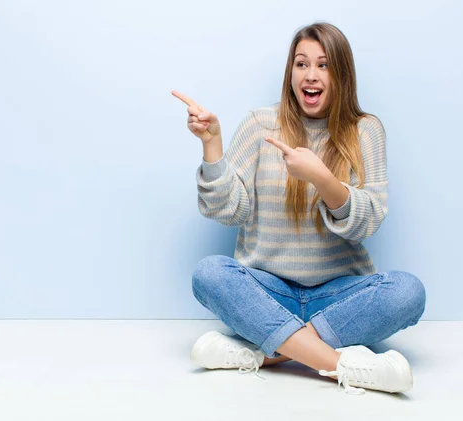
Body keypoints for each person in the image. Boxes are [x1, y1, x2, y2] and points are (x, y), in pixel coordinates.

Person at [171, 22, 426, 395]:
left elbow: (367, 221)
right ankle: (341, 366)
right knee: (209, 273)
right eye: (302, 64)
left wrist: (323, 179)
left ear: (342, 74)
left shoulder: (365, 130)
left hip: (339, 296)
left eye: (323, 65)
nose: (311, 75)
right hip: (268, 290)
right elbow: (229, 212)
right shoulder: (261, 124)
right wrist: (212, 146)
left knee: (408, 292)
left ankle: (265, 353)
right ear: (290, 72)